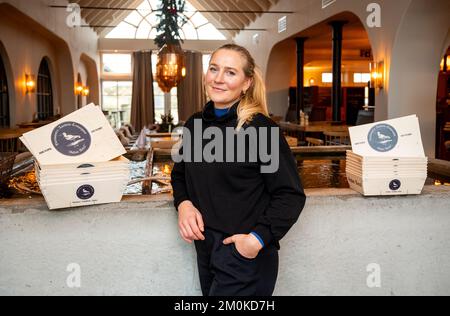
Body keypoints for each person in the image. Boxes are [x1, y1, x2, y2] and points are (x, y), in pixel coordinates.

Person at [171, 44, 306, 296]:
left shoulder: (260, 129)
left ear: (246, 83)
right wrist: (184, 204)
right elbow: (180, 175)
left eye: (230, 72)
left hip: (245, 259)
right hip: (206, 251)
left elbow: (290, 195)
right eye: (214, 69)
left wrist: (255, 241)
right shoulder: (195, 124)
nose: (218, 78)